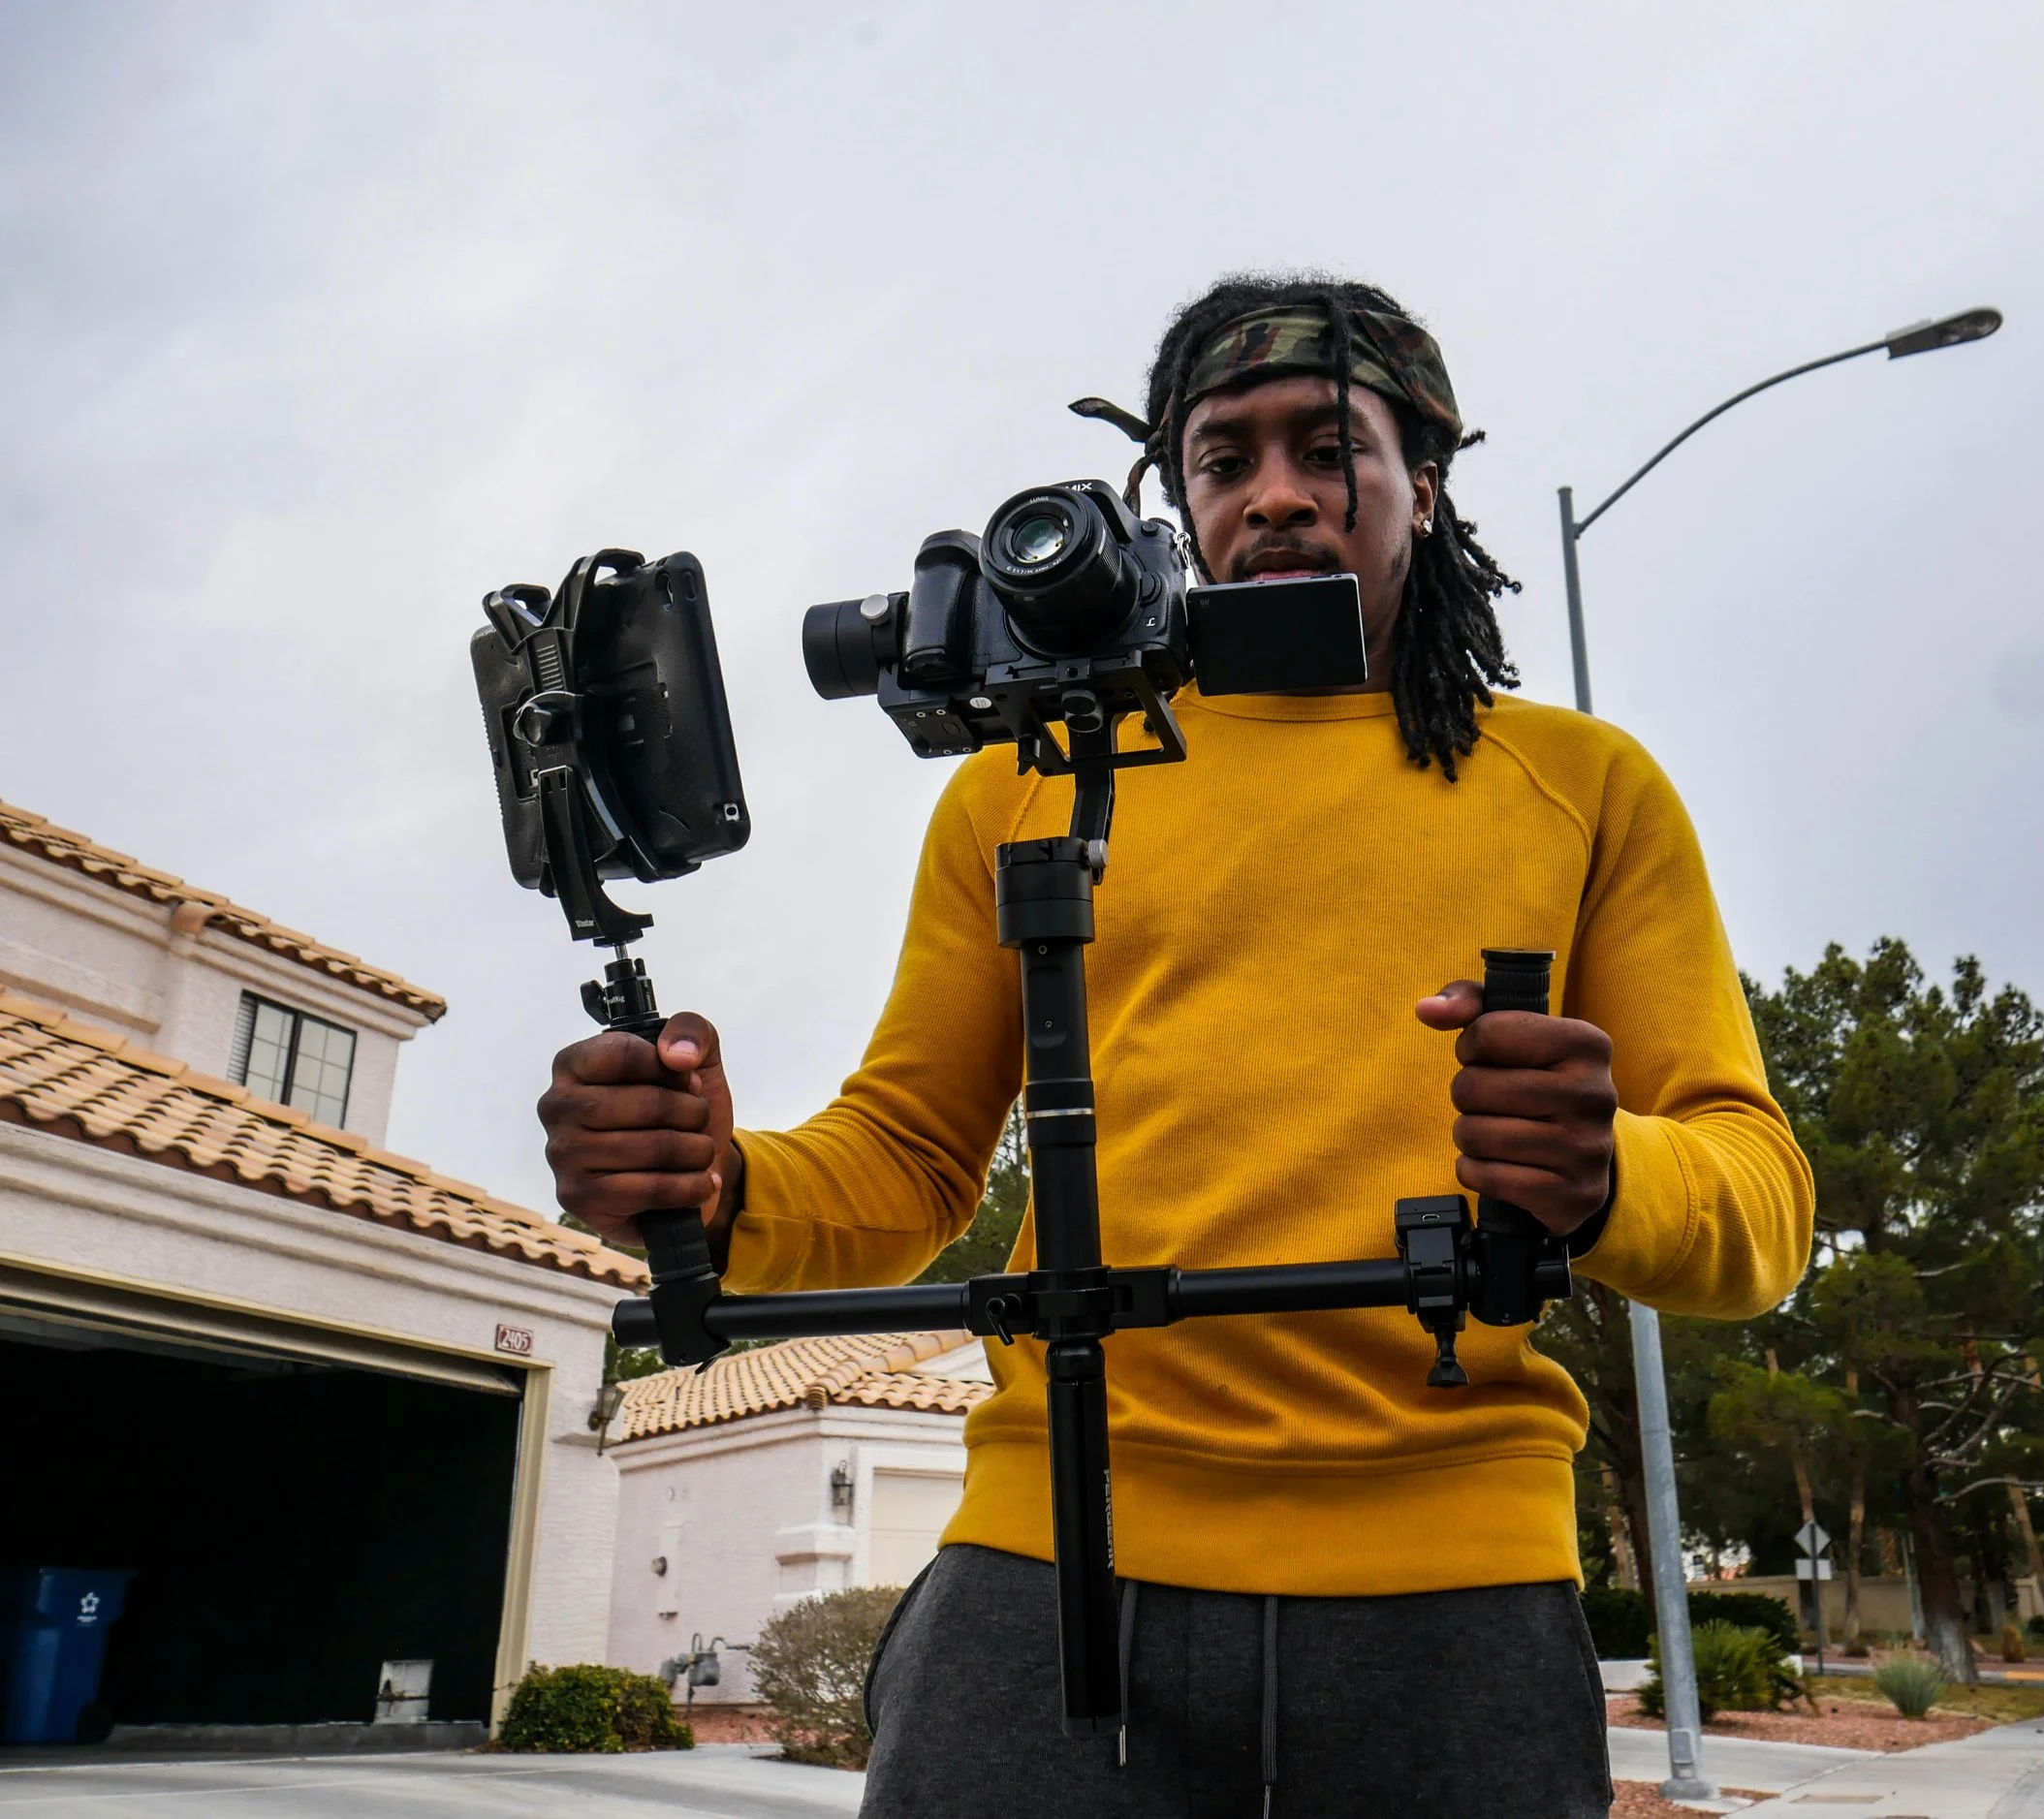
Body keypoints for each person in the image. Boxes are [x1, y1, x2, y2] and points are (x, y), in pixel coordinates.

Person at [539, 272, 1814, 1817]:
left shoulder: (1585, 786)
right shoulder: (1021, 785)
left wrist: (1606, 1172)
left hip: (1452, 1603)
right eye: (1224, 459)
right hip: (1049, 1561)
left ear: (1425, 483)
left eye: (1328, 449)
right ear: (1178, 499)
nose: (1275, 495)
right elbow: (910, 1161)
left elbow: (1760, 1208)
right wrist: (712, 1184)